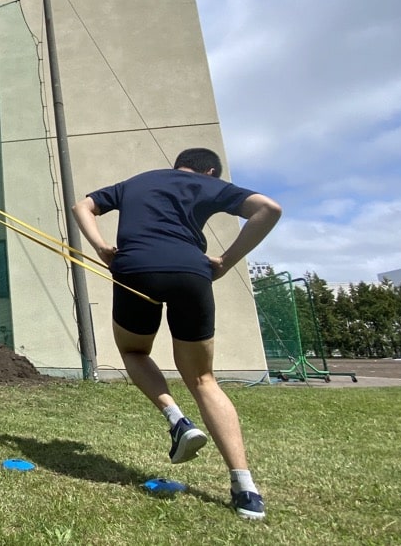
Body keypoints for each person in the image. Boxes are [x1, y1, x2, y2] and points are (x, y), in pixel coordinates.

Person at [72, 147, 282, 521]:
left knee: (134, 352)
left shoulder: (136, 182)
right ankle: (245, 488)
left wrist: (103, 248)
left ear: (177, 165)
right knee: (202, 378)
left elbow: (82, 207)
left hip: (135, 269)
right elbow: (269, 209)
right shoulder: (207, 185)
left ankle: (177, 420)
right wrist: (224, 262)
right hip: (191, 272)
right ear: (212, 171)